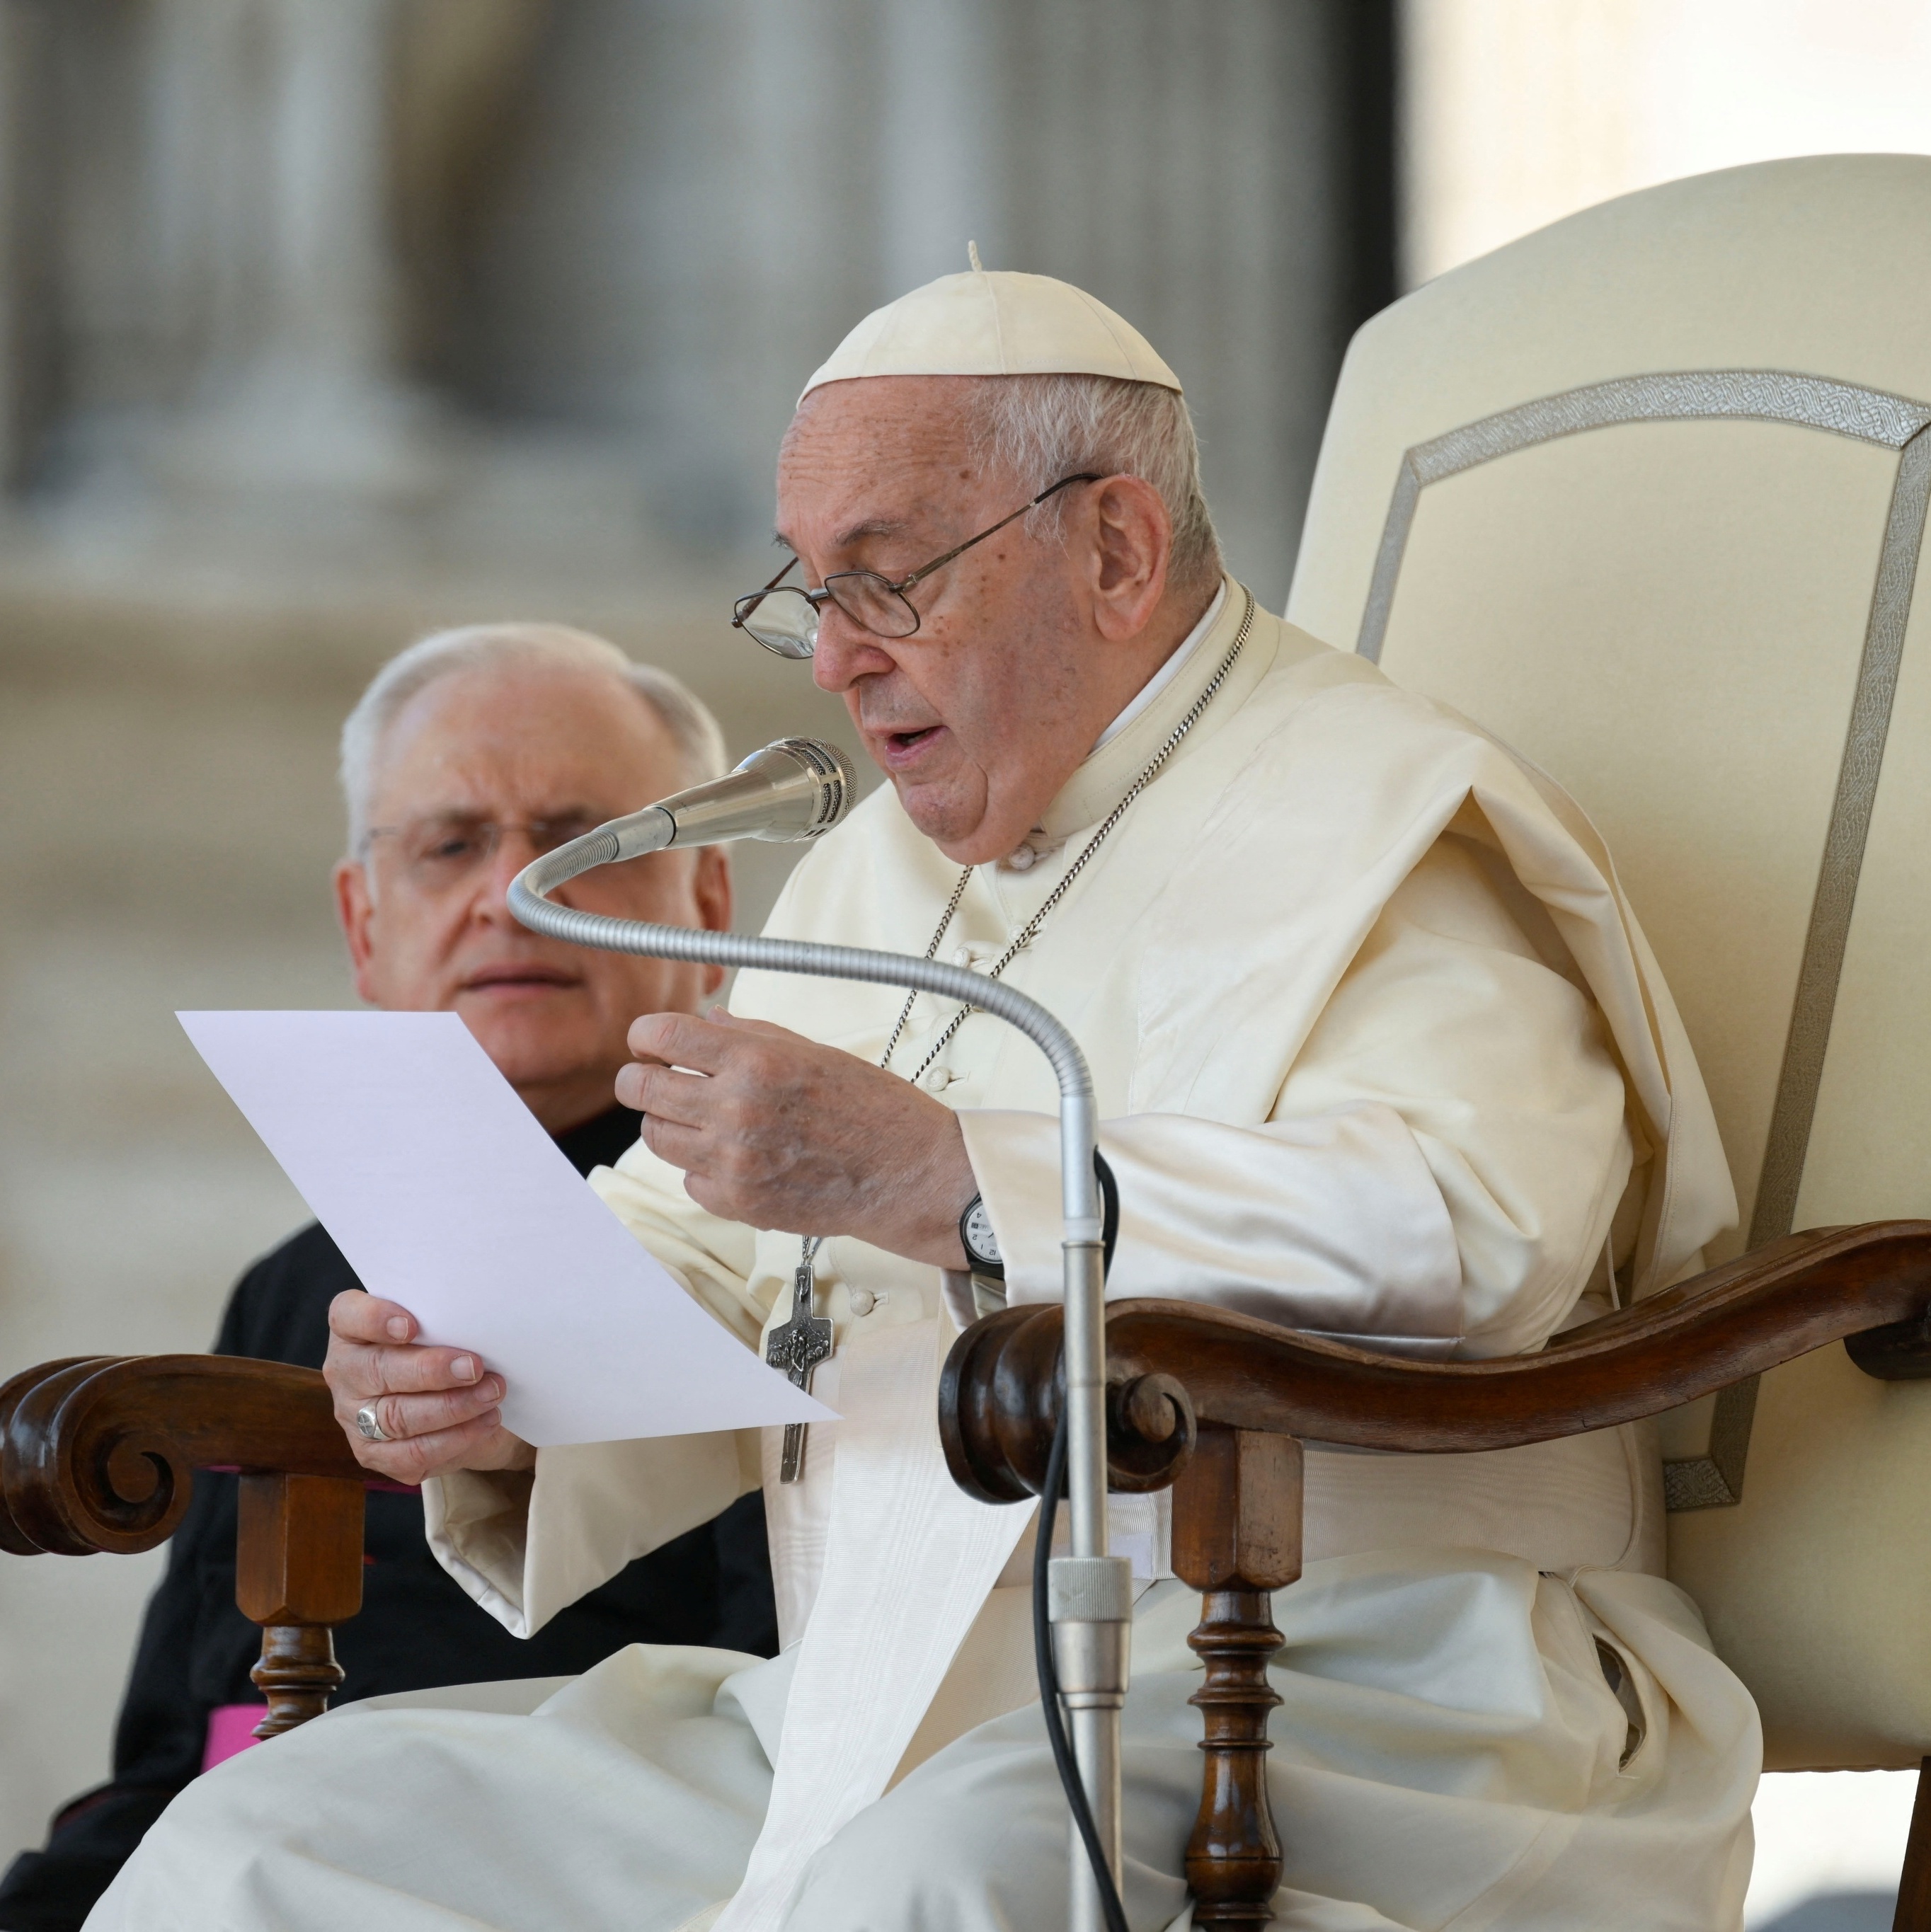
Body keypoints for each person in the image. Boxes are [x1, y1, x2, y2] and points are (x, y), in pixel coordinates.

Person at [91, 269, 1757, 1932]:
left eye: (882, 583)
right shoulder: (866, 879)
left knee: (923, 1886)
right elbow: (693, 1242)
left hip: (1340, 1683)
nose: (827, 662)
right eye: (806, 594)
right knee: (273, 1840)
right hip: (868, 1698)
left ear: (1111, 550)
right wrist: (477, 1369)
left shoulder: (1386, 817)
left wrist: (955, 1179)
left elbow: (1476, 1230)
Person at [0, 624, 775, 1932]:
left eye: (583, 838)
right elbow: (175, 1742)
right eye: (451, 844)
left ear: (708, 907)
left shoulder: (789, 1234)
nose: (517, 891)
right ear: (367, 924)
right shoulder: (288, 1285)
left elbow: (778, 1704)